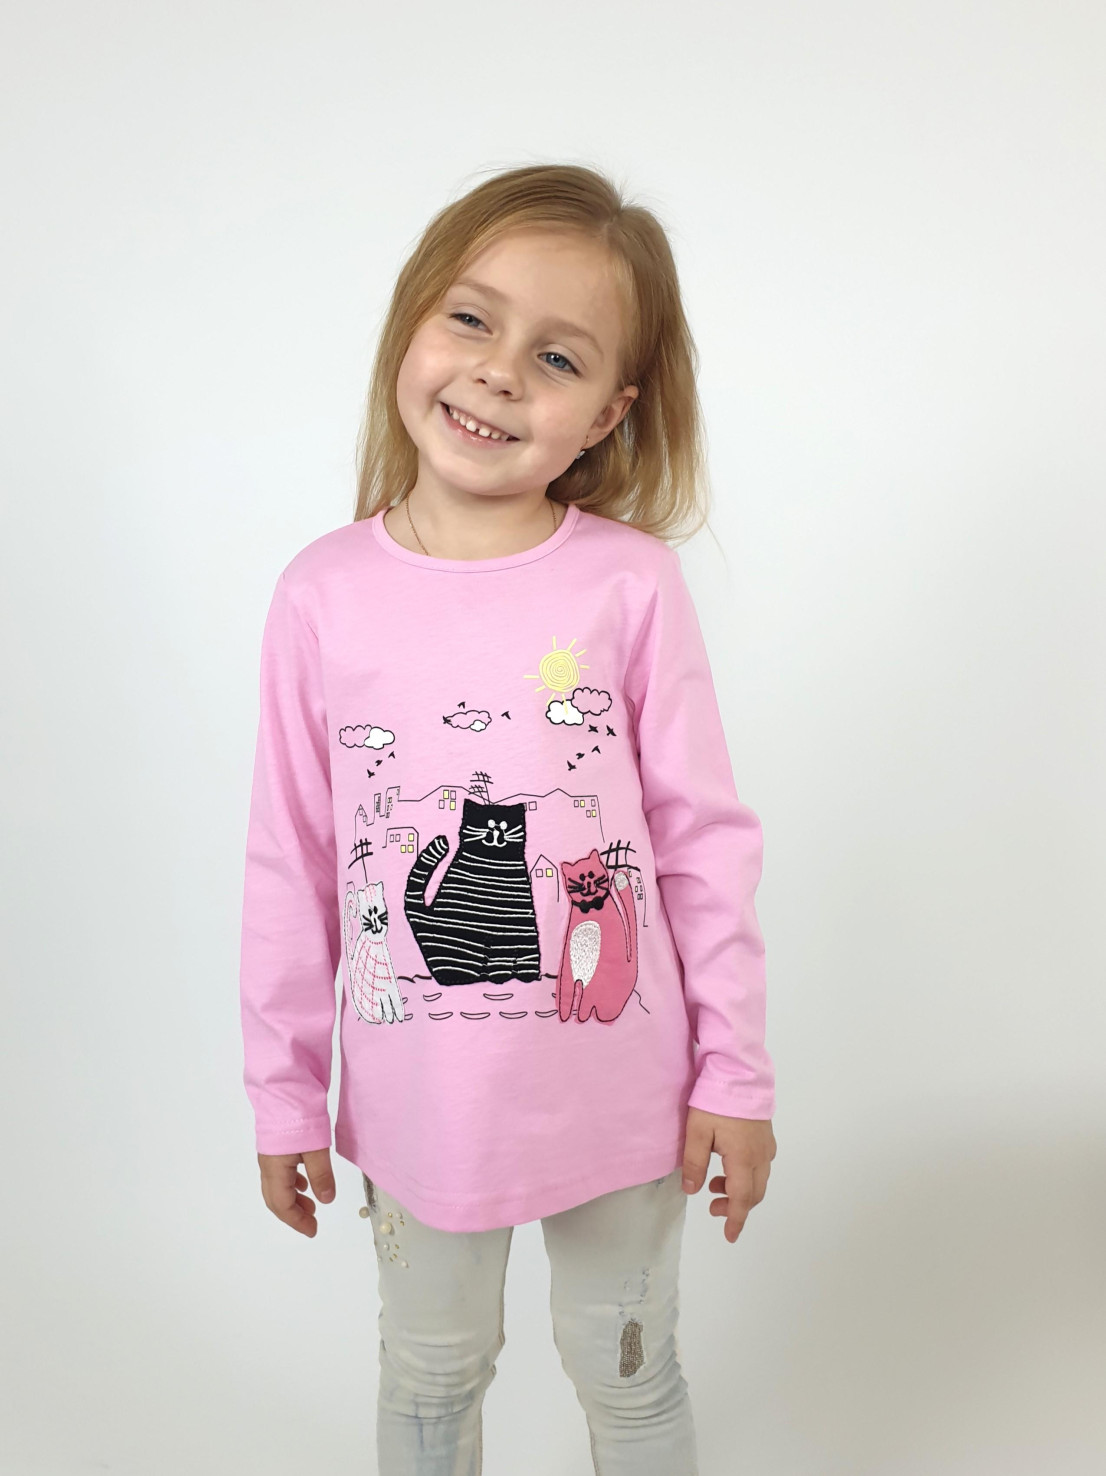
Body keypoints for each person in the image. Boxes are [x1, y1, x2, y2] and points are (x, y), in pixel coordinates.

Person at [239, 162, 778, 1476]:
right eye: (471, 319)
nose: (497, 372)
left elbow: (701, 842)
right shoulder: (321, 595)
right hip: (421, 1105)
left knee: (628, 1372)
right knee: (429, 1372)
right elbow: (291, 860)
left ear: (608, 412)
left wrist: (735, 1073)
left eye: (556, 356)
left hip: (625, 1097)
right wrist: (283, 1095)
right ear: (413, 318)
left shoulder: (628, 586)